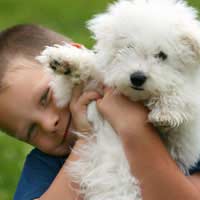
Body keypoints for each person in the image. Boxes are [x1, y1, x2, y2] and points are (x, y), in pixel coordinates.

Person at [0, 24, 199, 200]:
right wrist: (87, 138)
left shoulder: (179, 117)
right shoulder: (45, 165)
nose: (48, 124)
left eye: (45, 97)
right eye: (31, 131)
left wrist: (134, 129)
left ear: (69, 60)